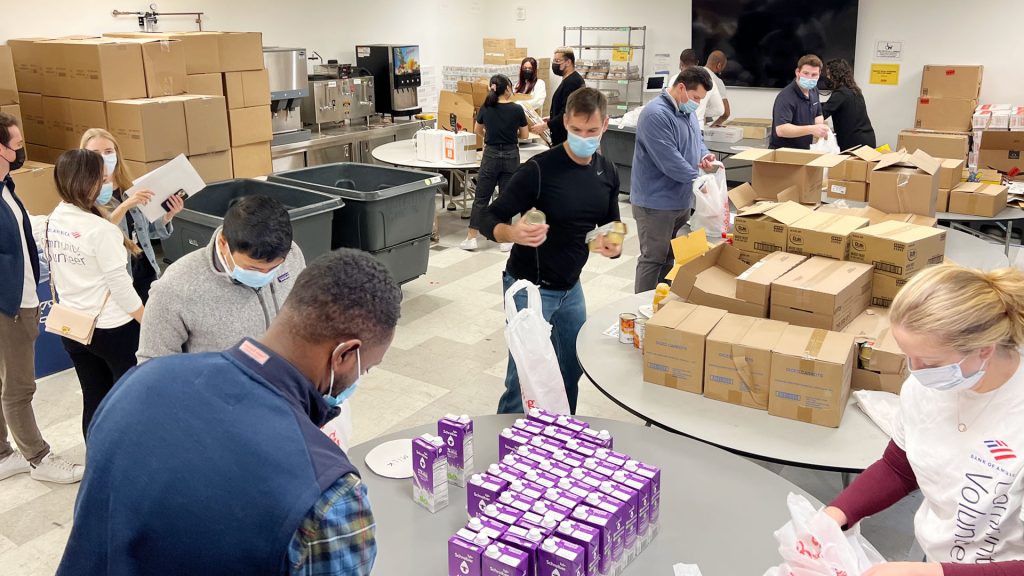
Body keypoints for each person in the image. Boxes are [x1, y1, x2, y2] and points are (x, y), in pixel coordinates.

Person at [57, 248, 402, 575]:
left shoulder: (140, 382)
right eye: (366, 368)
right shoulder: (328, 494)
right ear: (344, 354)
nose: (361, 377)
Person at [826, 264, 1024, 575]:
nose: (916, 372)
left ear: (984, 349)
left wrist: (934, 574)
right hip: (943, 559)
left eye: (931, 362)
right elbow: (899, 467)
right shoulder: (922, 390)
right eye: (909, 356)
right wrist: (838, 513)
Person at [481, 88, 623, 414]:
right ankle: (510, 449)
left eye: (591, 131)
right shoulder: (540, 170)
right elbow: (487, 217)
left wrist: (612, 244)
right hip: (530, 287)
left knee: (570, 371)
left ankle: (560, 437)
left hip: (571, 288)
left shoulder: (607, 171)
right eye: (575, 131)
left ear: (605, 126)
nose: (583, 138)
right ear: (564, 124)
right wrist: (512, 233)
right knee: (524, 379)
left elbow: (611, 222)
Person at [0, 112, 84, 484]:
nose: (21, 152)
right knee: (20, 386)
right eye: (16, 146)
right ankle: (39, 458)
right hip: (9, 305)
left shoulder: (6, 185)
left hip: (20, 296)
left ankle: (2, 454)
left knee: (5, 382)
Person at [136, 194, 305, 362]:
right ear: (224, 243)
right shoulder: (176, 286)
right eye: (253, 268)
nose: (265, 276)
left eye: (274, 268)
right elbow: (151, 363)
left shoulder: (292, 253)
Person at [46, 149, 144, 437]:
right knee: (128, 401)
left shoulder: (56, 218)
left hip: (73, 326)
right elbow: (122, 289)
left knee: (94, 397)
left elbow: (94, 239)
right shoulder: (101, 232)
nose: (108, 184)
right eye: (101, 179)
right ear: (84, 181)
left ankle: (97, 457)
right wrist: (146, 319)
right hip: (112, 328)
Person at [631, 68, 716, 293]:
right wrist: (700, 181)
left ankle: (662, 303)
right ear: (681, 88)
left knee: (671, 258)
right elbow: (670, 160)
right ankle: (642, 309)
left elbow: (696, 141)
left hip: (680, 200)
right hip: (655, 203)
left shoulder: (686, 111)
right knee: (653, 259)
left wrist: (704, 155)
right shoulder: (655, 115)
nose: (697, 103)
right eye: (696, 97)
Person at [81, 128, 185, 303]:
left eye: (108, 152)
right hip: (118, 281)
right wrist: (125, 205)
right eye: (95, 153)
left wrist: (167, 216)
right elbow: (97, 237)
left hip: (146, 271)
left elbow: (149, 232)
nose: (103, 158)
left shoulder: (129, 189)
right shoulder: (84, 197)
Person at [460, 74, 529, 252]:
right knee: (506, 197)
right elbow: (525, 135)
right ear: (507, 88)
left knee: (481, 197)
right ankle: (506, 239)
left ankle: (471, 238)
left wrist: (490, 137)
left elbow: (477, 130)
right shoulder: (516, 109)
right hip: (511, 155)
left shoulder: (486, 107)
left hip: (490, 155)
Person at [770, 54, 829, 149]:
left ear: (819, 74)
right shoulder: (786, 96)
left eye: (814, 75)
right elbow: (781, 130)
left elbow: (818, 114)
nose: (810, 78)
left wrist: (820, 128)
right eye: (806, 73)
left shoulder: (814, 90)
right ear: (798, 72)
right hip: (784, 153)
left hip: (804, 149)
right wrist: (811, 129)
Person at [529, 47, 585, 147]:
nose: (554, 64)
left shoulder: (572, 82)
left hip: (566, 137)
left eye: (557, 61)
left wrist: (545, 126)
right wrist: (552, 117)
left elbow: (567, 112)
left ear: (568, 62)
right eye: (554, 61)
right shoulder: (568, 80)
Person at [821, 58, 876, 151]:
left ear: (835, 75)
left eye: (828, 74)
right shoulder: (854, 90)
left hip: (854, 143)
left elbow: (823, 113)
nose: (827, 77)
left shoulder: (840, 93)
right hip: (867, 139)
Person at [669, 49, 722, 129]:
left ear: (681, 63)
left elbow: (669, 105)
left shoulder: (674, 80)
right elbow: (719, 110)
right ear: (697, 63)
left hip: (677, 127)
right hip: (697, 127)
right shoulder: (709, 82)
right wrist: (702, 112)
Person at [705, 50, 732, 127]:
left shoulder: (693, 72)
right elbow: (726, 113)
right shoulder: (716, 81)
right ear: (719, 65)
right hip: (704, 119)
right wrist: (713, 126)